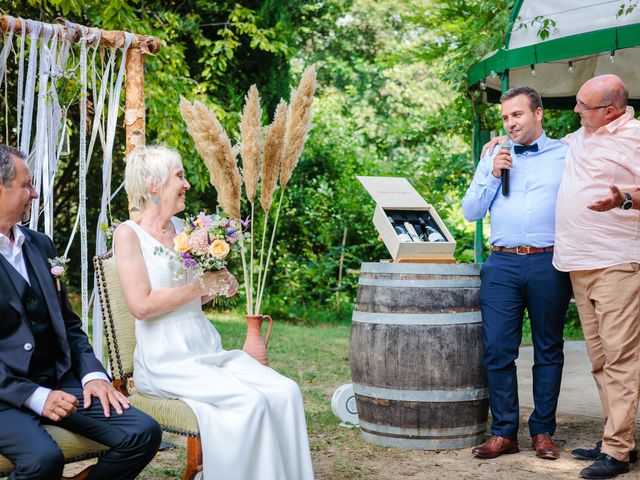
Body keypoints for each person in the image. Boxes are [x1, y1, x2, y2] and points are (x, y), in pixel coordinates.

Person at [113, 144, 314, 480]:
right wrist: (200, 287)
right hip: (166, 359)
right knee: (249, 402)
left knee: (285, 391)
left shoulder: (185, 231)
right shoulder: (128, 234)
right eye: (179, 175)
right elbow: (141, 306)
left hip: (204, 348)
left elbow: (194, 297)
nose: (187, 183)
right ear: (153, 185)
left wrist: (221, 285)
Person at [0, 145, 162, 480]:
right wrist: (35, 396)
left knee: (143, 432)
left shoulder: (41, 244)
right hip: (5, 396)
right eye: (26, 185)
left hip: (60, 379)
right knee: (44, 461)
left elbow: (70, 326)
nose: (34, 192)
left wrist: (93, 376)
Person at [462, 86, 572, 460]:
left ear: (538, 113)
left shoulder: (566, 153)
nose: (510, 123)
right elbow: (471, 211)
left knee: (548, 349)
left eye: (517, 115)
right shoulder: (494, 153)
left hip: (549, 261)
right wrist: (492, 174)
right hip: (502, 264)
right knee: (497, 351)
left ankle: (543, 432)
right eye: (506, 117)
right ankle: (504, 432)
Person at [553, 74, 640, 480]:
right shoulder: (580, 137)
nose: (575, 110)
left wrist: (624, 198)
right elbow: (537, 146)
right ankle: (617, 439)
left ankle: (617, 452)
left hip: (617, 264)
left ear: (611, 111)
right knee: (601, 361)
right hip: (578, 265)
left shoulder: (635, 136)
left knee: (621, 359)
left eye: (583, 105)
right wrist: (497, 144)